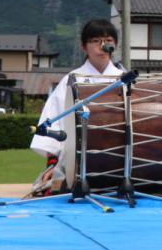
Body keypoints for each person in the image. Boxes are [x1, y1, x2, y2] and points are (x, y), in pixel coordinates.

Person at [29, 19, 122, 193]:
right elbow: (53, 121)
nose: (102, 45)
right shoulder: (71, 80)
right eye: (95, 41)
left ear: (114, 45)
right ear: (83, 47)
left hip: (118, 157)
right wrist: (53, 165)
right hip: (76, 161)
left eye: (108, 40)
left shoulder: (125, 79)